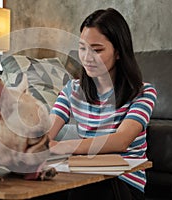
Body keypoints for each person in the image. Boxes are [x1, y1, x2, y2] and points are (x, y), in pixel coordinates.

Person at [44, 8, 157, 200]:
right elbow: (44, 134)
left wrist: (64, 147)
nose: (87, 58)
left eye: (97, 50)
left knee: (88, 191)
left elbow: (121, 140)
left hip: (123, 183)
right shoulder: (73, 90)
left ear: (118, 52)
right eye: (82, 48)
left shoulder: (143, 92)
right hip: (83, 176)